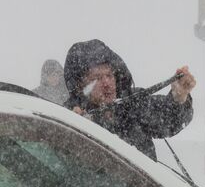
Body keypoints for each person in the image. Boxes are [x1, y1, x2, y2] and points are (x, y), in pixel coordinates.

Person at [63, 39, 195, 160]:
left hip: (142, 185)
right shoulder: (69, 117)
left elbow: (168, 120)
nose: (107, 83)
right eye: (96, 78)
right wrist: (73, 131)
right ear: (80, 86)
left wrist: (178, 98)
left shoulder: (133, 102)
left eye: (109, 75)